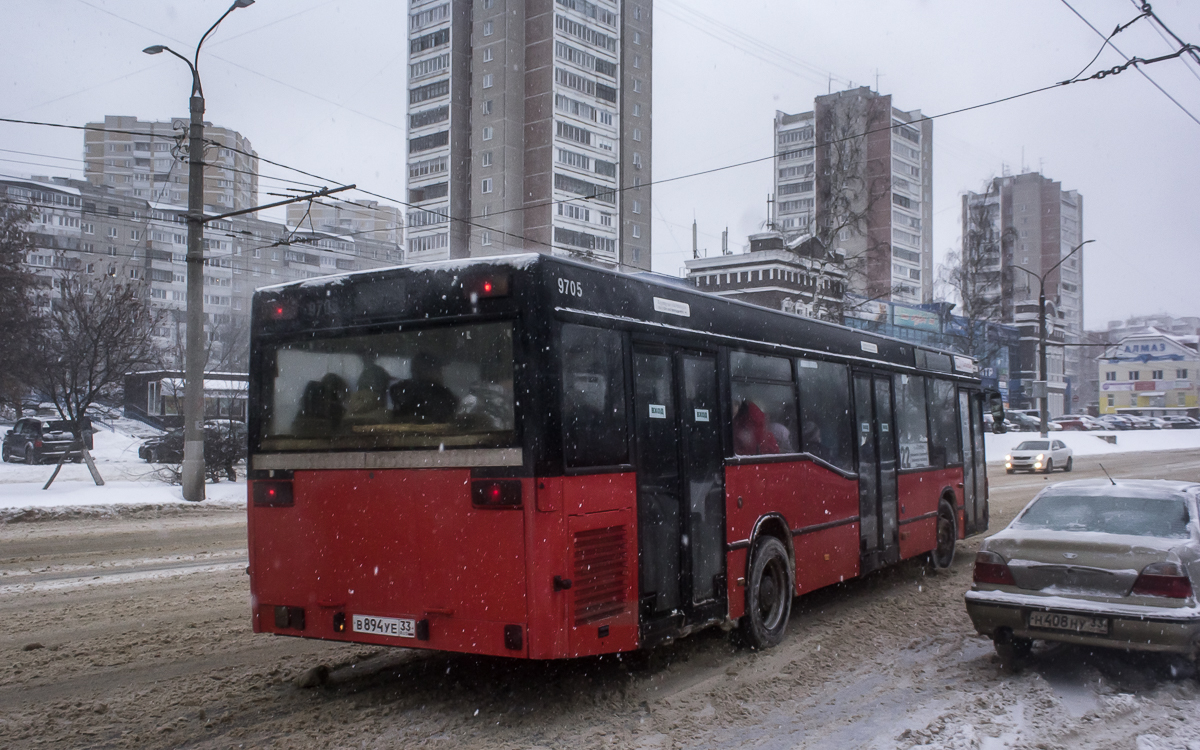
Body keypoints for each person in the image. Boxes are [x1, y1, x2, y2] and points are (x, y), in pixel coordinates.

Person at [389, 353, 458, 424]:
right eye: (438, 370)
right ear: (428, 371)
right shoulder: (443, 395)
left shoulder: (399, 389)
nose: (441, 374)